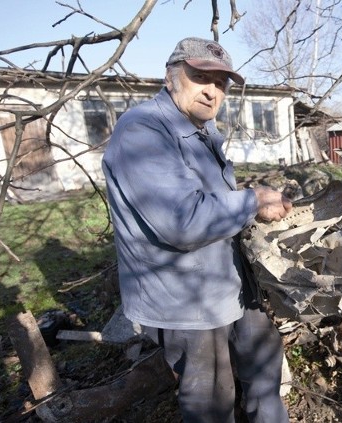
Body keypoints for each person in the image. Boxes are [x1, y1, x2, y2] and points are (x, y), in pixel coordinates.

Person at [102, 37, 292, 423]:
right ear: (171, 76)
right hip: (186, 300)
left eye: (221, 83)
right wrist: (252, 201)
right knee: (211, 401)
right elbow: (182, 221)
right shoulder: (142, 131)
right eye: (200, 76)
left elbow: (209, 202)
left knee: (264, 364)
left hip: (229, 283)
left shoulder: (202, 132)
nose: (212, 90)